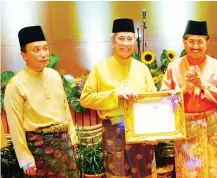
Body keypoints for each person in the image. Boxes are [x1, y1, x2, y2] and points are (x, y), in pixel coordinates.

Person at [80, 18, 157, 178]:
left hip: (141, 131)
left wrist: (153, 132)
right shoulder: (100, 67)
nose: (126, 43)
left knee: (145, 174)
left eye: (130, 39)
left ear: (134, 41)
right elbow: (85, 99)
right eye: (121, 39)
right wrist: (115, 94)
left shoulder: (142, 68)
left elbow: (153, 102)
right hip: (114, 132)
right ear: (113, 41)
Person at [4, 25, 79, 177]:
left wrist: (73, 137)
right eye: (36, 50)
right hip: (38, 149)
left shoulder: (54, 76)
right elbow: (15, 125)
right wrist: (25, 159)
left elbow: (65, 108)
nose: (43, 54)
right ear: (23, 54)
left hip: (65, 144)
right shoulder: (15, 85)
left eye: (45, 48)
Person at [161, 20, 217, 178]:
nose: (195, 46)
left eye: (200, 42)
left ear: (207, 43)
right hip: (186, 127)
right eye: (191, 41)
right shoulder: (174, 67)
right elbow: (164, 103)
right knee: (189, 172)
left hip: (212, 125)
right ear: (184, 42)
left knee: (214, 170)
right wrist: (183, 90)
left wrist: (203, 85)